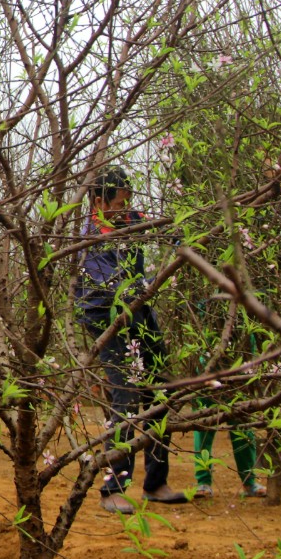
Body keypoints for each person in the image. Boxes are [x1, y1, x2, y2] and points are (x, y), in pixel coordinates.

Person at [75, 165, 187, 514]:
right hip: (106, 318)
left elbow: (169, 228)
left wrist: (180, 238)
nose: (126, 210)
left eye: (128, 202)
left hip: (140, 313)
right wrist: (147, 284)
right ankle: (113, 488)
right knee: (124, 397)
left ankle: (155, 484)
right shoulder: (88, 236)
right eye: (119, 204)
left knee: (162, 392)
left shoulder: (132, 219)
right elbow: (110, 289)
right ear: (98, 200)